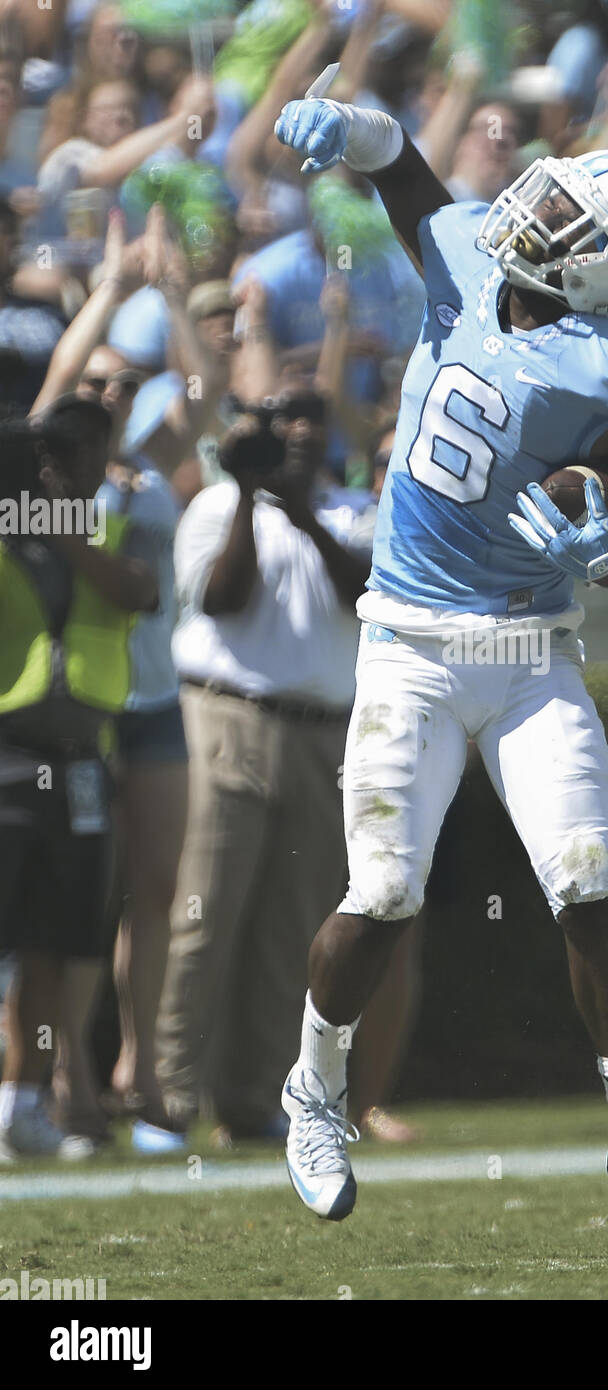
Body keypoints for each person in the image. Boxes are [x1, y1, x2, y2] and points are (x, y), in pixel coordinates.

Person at [273, 99, 608, 1256]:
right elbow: (397, 165)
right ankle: (313, 1097)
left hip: (528, 660)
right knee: (381, 896)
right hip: (410, 644)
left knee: (590, 894)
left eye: (569, 213)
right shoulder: (473, 255)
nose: (535, 205)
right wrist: (355, 120)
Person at [157, 388, 375, 1145]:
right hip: (228, 715)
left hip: (323, 731)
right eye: (287, 418)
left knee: (293, 927)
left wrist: (303, 511)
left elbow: (365, 594)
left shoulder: (352, 511)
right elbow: (221, 599)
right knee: (205, 914)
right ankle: (172, 1096)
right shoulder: (216, 507)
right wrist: (252, 496)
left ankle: (253, 1102)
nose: (304, 429)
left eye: (316, 414)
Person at [0, 395, 157, 1159]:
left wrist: (58, 529)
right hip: (5, 755)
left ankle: (21, 1105)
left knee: (53, 941)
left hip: (78, 762)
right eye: (67, 457)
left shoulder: (104, 533)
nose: (85, 471)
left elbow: (141, 593)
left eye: (95, 454)